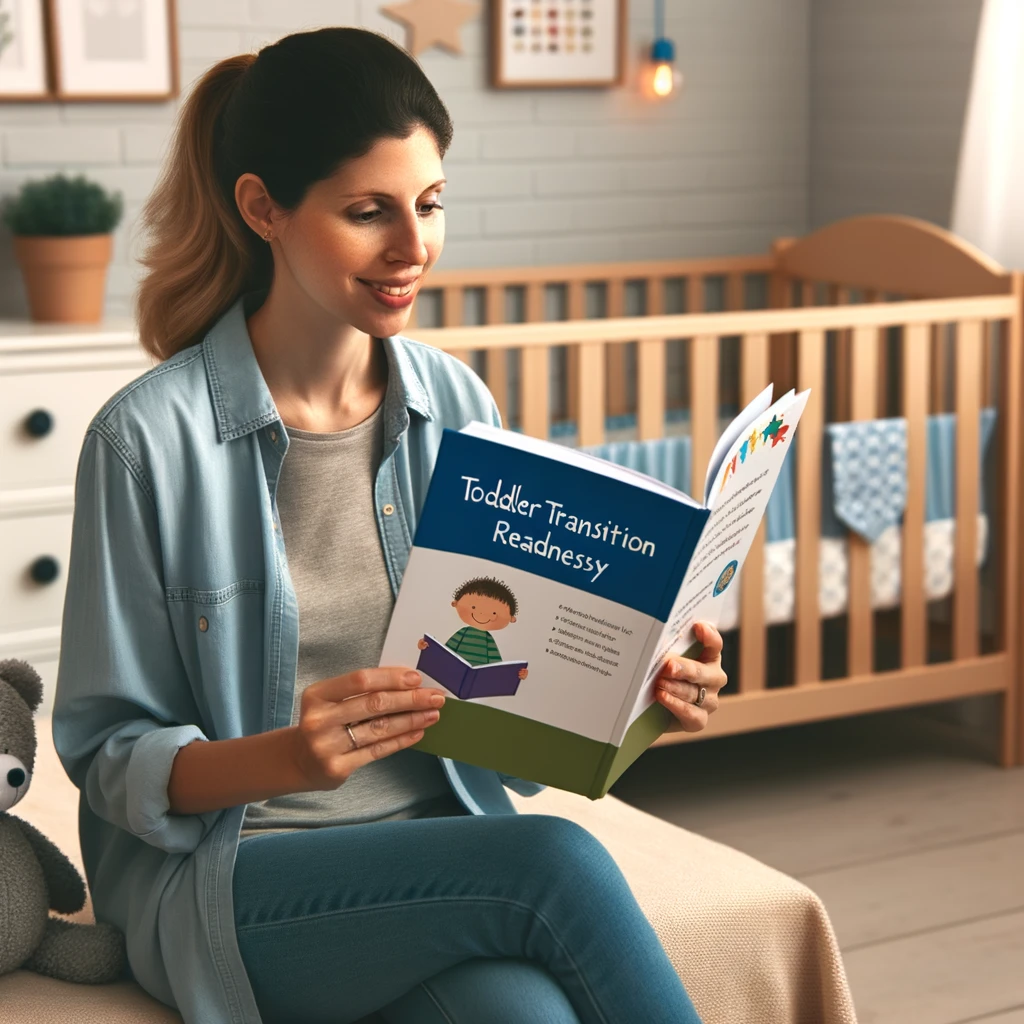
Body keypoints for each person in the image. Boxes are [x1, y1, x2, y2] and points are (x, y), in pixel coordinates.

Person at [52, 26, 728, 1024]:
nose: (413, 247)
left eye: (429, 204)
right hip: (236, 872)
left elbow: (493, 714)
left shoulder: (457, 405)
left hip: (435, 842)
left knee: (524, 1016)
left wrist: (633, 690)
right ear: (262, 207)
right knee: (554, 863)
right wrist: (288, 754)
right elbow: (108, 754)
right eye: (369, 213)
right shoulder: (145, 442)